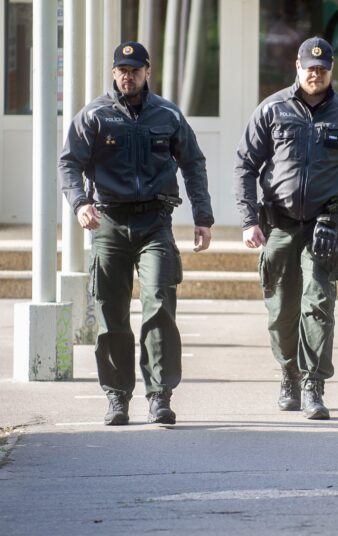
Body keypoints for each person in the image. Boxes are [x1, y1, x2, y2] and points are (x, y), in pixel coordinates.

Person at [59, 41, 214, 426]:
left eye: (135, 70)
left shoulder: (167, 115)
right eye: (121, 70)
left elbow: (193, 163)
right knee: (112, 313)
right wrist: (80, 203)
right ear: (114, 73)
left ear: (147, 72)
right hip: (108, 222)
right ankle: (117, 397)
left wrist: (203, 217)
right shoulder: (95, 115)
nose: (128, 76)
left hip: (155, 222)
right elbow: (68, 163)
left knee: (159, 304)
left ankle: (160, 395)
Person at [234, 37, 338, 420]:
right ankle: (289, 374)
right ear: (297, 68)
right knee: (282, 308)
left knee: (318, 306)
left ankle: (314, 383)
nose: (315, 74)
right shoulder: (272, 109)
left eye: (322, 68)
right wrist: (249, 220)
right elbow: (245, 165)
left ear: (331, 71)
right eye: (309, 67)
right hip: (279, 224)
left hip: (326, 226)